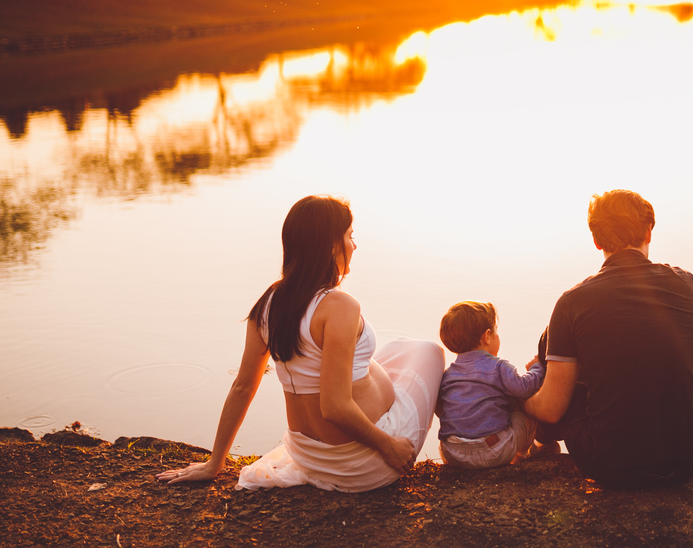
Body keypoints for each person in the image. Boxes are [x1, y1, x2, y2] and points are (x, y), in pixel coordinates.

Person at [156, 195, 445, 492]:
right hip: (361, 462)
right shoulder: (339, 306)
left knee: (398, 348)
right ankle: (466, 445)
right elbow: (333, 407)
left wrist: (214, 463)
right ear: (332, 245)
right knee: (430, 352)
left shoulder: (269, 302)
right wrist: (388, 447)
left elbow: (242, 386)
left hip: (309, 457)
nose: (354, 245)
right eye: (350, 236)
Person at [523, 189, 693, 489]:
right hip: (690, 455)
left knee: (553, 349)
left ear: (596, 240)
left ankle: (542, 446)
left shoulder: (573, 301)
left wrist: (522, 397)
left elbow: (551, 409)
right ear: (649, 232)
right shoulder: (686, 283)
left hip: (612, 464)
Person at [436, 301, 545, 469]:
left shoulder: (448, 375)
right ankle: (522, 455)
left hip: (453, 453)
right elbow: (524, 388)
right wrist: (536, 367)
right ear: (487, 336)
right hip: (494, 451)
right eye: (496, 332)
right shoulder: (499, 366)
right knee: (524, 410)